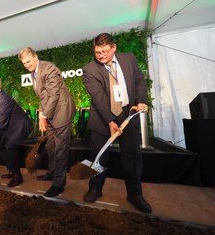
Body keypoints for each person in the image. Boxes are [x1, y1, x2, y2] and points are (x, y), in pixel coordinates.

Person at [82, 32, 151, 213]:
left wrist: (141, 100)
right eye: (97, 52)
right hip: (103, 119)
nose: (101, 55)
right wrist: (110, 122)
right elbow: (99, 98)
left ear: (114, 48)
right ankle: (95, 188)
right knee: (99, 156)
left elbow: (139, 80)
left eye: (105, 51)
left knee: (133, 157)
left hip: (128, 115)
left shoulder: (128, 59)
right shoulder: (90, 69)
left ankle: (135, 194)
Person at [18, 47, 76, 197]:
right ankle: (52, 172)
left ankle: (58, 184)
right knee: (50, 146)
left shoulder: (49, 68)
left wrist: (44, 116)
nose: (27, 65)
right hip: (50, 113)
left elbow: (54, 94)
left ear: (35, 57)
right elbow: (43, 97)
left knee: (60, 149)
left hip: (61, 113)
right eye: (24, 63)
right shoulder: (33, 73)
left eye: (28, 61)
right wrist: (41, 114)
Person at [0, 76, 32, 187]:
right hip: (10, 124)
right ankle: (11, 170)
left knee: (10, 145)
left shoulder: (4, 99)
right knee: (1, 145)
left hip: (21, 125)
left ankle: (17, 176)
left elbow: (1, 125)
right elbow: (0, 118)